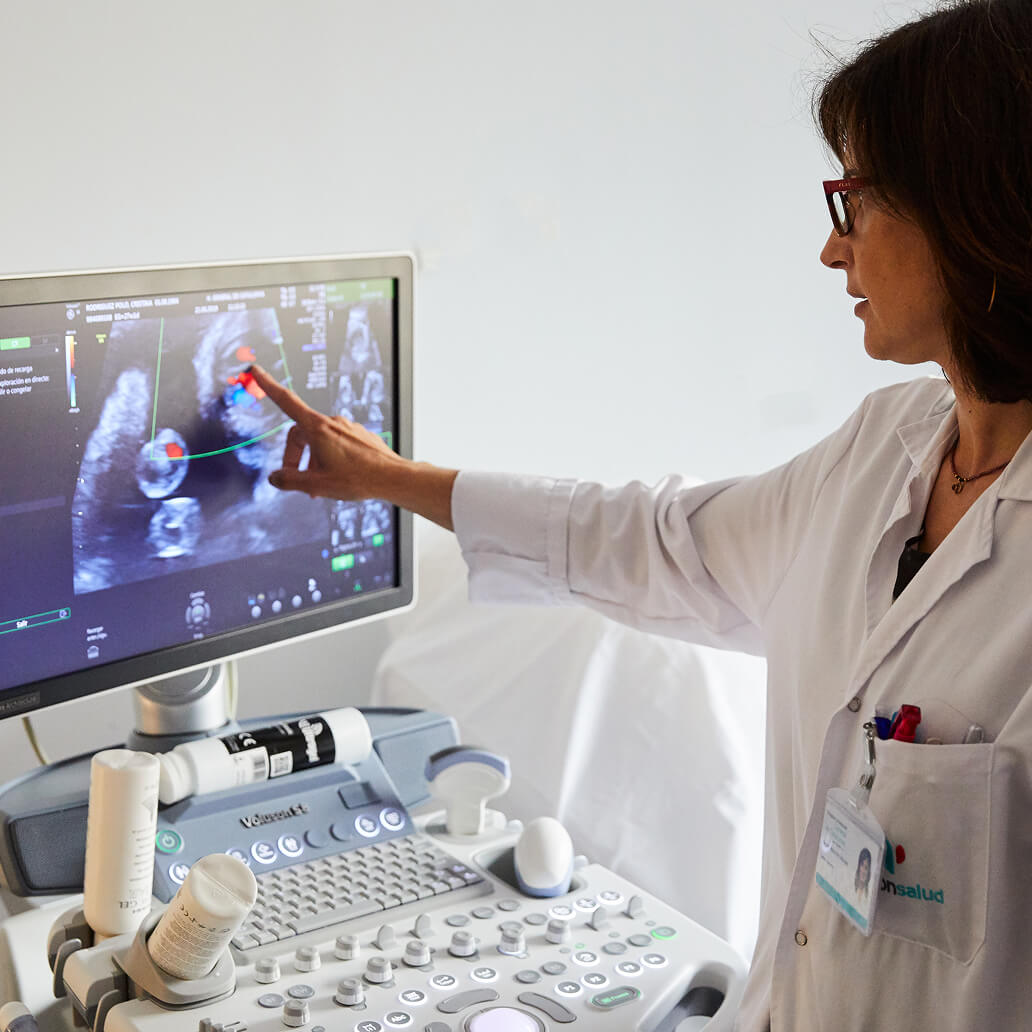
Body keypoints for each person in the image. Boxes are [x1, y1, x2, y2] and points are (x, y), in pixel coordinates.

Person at [246, 1, 1032, 1027]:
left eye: (855, 204)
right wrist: (394, 479)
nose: (833, 253)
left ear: (974, 210)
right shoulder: (882, 448)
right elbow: (659, 543)